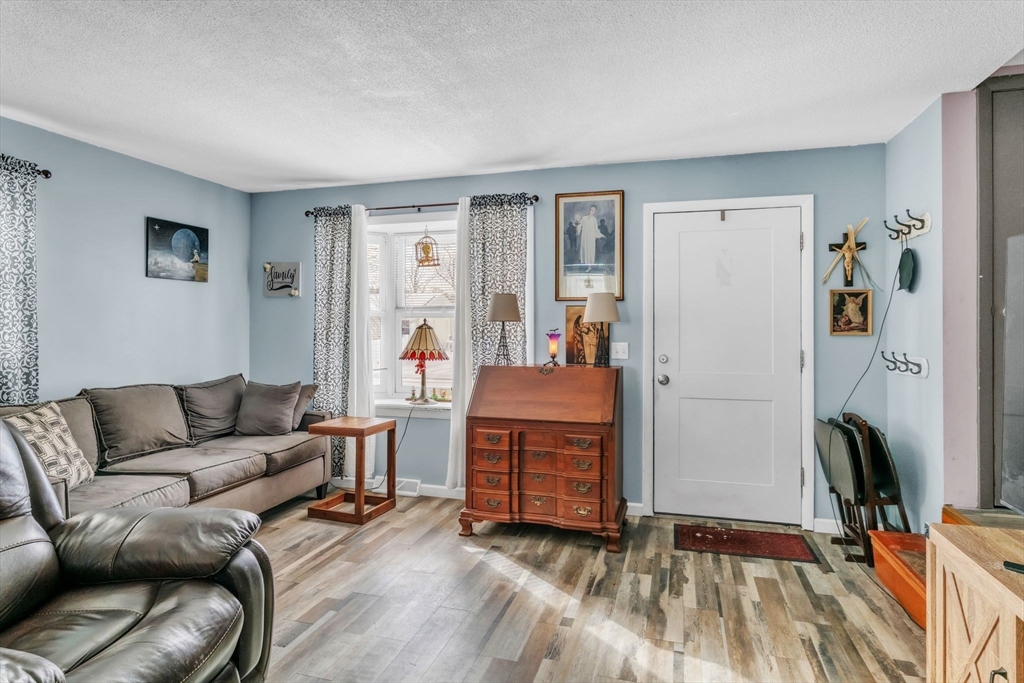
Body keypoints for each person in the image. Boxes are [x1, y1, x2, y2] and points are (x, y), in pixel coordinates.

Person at [577, 205, 600, 271]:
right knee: (584, 250)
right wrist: (578, 226)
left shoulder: (594, 219)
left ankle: (589, 266)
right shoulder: (584, 218)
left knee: (590, 251)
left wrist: (600, 235)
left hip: (591, 238)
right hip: (584, 237)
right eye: (590, 209)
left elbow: (596, 229)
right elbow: (579, 226)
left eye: (592, 210)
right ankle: (584, 265)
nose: (590, 211)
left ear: (594, 212)